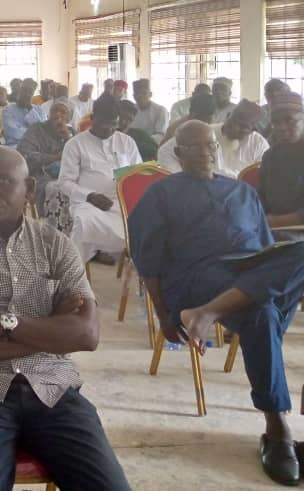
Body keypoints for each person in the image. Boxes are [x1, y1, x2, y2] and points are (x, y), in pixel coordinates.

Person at [0, 145, 130, 490]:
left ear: (29, 188)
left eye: (4, 181)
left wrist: (4, 324)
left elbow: (86, 335)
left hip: (54, 389)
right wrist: (50, 333)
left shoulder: (56, 245)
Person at [129, 119, 304, 486]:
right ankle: (277, 429)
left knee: (277, 286)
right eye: (194, 147)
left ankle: (208, 314)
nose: (204, 152)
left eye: (210, 145)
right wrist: (163, 316)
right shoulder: (161, 194)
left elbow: (265, 248)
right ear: (178, 153)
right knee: (261, 313)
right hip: (196, 276)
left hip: (248, 272)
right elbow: (148, 261)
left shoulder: (240, 191)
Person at [58, 96, 142, 264]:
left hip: (123, 203)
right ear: (93, 118)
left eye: (113, 123)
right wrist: (90, 196)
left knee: (150, 223)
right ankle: (74, 271)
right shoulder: (75, 144)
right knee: (83, 224)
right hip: (89, 204)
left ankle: (142, 270)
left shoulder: (126, 142)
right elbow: (65, 182)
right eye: (104, 123)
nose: (109, 129)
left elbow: (138, 175)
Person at [158, 100, 269, 176]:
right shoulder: (205, 132)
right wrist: (181, 178)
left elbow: (262, 174)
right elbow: (165, 151)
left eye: (243, 127)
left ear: (253, 130)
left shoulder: (258, 144)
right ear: (227, 116)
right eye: (233, 121)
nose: (235, 128)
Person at [259, 91, 304, 235]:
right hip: (270, 230)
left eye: (289, 120)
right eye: (275, 122)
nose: (281, 127)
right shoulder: (270, 156)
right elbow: (260, 198)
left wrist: (272, 222)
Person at [17, 102, 74, 213]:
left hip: (67, 176)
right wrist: (55, 157)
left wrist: (67, 137)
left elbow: (80, 159)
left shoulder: (71, 133)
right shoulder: (37, 129)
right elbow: (24, 155)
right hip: (39, 176)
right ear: (48, 115)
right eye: (54, 110)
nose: (58, 114)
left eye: (63, 112)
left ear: (68, 119)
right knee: (59, 191)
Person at [2, 80, 47, 147]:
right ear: (18, 92)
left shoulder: (40, 110)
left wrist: (29, 108)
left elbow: (43, 131)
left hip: (37, 146)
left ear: (32, 94)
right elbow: (14, 133)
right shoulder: (8, 110)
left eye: (30, 92)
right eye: (24, 90)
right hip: (15, 146)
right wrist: (35, 134)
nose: (26, 94)